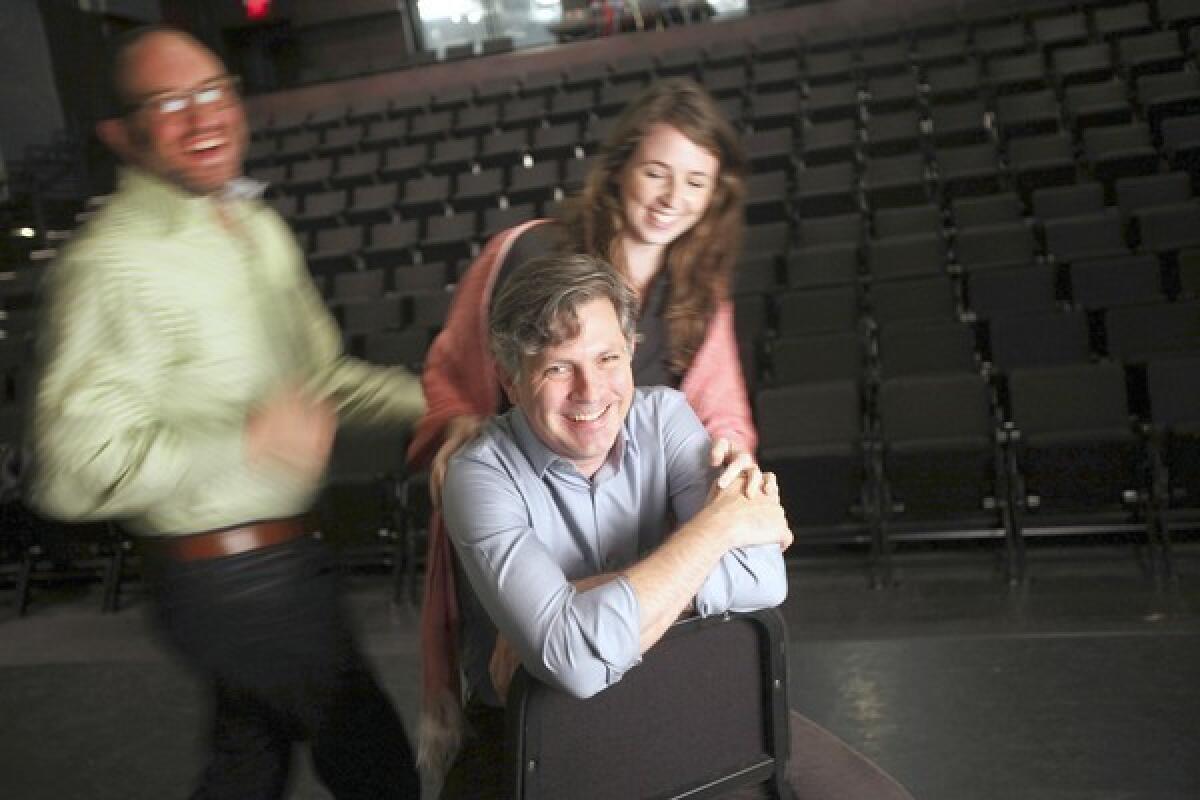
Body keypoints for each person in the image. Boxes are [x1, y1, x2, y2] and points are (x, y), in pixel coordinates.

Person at [27, 26, 421, 799]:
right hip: (224, 578)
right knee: (373, 761)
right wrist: (244, 441)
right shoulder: (111, 264)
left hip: (285, 560)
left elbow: (323, 377)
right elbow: (71, 473)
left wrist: (443, 401)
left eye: (214, 90)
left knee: (248, 762)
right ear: (120, 133)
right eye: (169, 102)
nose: (204, 116)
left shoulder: (255, 228)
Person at [409, 78, 756, 766]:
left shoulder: (698, 292)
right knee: (528, 696)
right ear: (621, 167)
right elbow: (453, 367)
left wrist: (730, 480)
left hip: (636, 525)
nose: (670, 198)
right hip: (526, 508)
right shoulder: (526, 252)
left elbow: (723, 415)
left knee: (640, 698)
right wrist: (456, 423)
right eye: (656, 172)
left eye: (694, 181)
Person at [437, 253, 792, 797]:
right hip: (531, 736)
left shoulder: (667, 415)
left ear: (630, 352)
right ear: (511, 379)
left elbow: (766, 577)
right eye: (558, 366)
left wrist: (576, 604)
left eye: (608, 357)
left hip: (669, 699)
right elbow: (576, 665)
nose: (590, 389)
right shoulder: (477, 475)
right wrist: (717, 530)